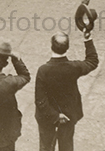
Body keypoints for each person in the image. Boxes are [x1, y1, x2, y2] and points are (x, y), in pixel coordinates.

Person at [34, 19, 98, 151]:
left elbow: (40, 100)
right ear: (67, 48)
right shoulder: (74, 67)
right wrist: (87, 39)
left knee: (46, 146)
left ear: (51, 46)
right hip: (69, 115)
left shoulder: (43, 70)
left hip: (47, 117)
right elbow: (92, 61)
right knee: (67, 145)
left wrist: (55, 115)